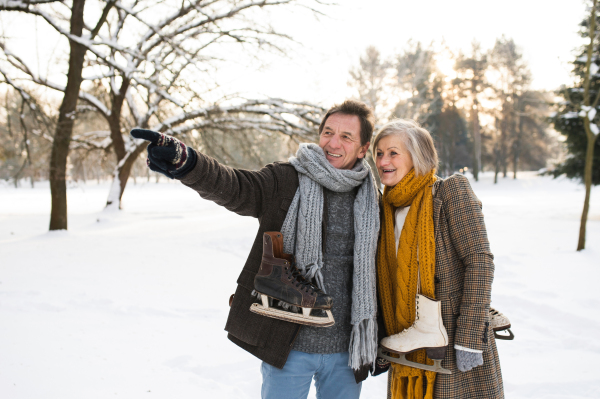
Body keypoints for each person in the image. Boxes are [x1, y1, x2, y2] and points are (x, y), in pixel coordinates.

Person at [130, 100, 381, 399]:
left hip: (347, 352)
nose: (333, 142)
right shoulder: (286, 179)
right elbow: (236, 185)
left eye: (346, 137)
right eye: (328, 132)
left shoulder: (373, 201)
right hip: (287, 346)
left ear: (363, 149)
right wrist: (188, 163)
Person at [373, 119, 503, 399]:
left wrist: (469, 339)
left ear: (417, 156)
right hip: (407, 348)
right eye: (379, 153)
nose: (383, 159)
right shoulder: (384, 209)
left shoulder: (448, 193)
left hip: (453, 345)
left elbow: (479, 262)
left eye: (393, 152)